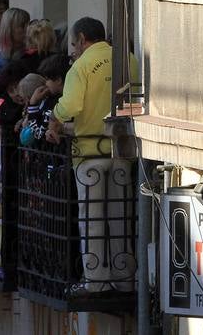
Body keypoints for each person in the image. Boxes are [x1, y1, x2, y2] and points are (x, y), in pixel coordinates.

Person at [46, 17, 135, 295]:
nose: (74, 49)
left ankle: (95, 281)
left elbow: (71, 105)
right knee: (121, 218)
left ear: (83, 39)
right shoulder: (128, 59)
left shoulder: (81, 66)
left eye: (74, 44)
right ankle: (125, 278)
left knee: (92, 220)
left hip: (88, 153)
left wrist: (55, 117)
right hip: (121, 150)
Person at [0, 7, 30, 75]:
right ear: (9, 29)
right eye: (22, 26)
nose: (27, 29)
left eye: (29, 25)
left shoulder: (31, 55)